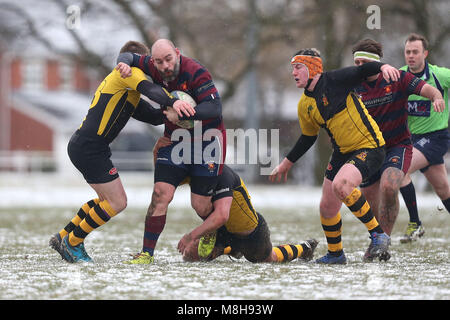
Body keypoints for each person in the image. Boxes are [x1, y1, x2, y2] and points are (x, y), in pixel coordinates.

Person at [48, 41, 194, 263]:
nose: (150, 69)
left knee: (104, 200)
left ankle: (63, 236)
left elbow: (152, 115)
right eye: (148, 64)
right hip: (89, 147)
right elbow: (151, 90)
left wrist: (171, 113)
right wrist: (175, 101)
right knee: (117, 202)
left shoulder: (127, 88)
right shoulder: (130, 75)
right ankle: (73, 242)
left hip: (86, 145)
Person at [269, 48, 400, 264]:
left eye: (298, 67)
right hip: (342, 152)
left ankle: (378, 235)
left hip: (369, 146)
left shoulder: (335, 80)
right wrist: (286, 163)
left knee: (342, 185)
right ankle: (336, 254)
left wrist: (383, 66)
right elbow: (307, 138)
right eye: (292, 68)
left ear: (313, 68)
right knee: (327, 206)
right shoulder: (304, 105)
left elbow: (364, 70)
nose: (293, 73)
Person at [115, 39, 226, 263]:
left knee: (200, 204)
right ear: (152, 61)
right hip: (175, 141)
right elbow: (128, 56)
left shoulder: (196, 72)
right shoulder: (152, 66)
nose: (165, 66)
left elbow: (214, 108)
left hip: (207, 142)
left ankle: (214, 232)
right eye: (159, 62)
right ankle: (146, 254)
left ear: (177, 53)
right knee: (160, 194)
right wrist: (123, 64)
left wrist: (184, 113)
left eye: (169, 59)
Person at [125, 137, 318, 264]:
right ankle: (226, 248)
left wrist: (190, 235)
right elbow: (164, 182)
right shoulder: (196, 171)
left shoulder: (222, 173)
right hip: (220, 229)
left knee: (270, 259)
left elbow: (222, 215)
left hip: (249, 233)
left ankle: (304, 248)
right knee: (190, 256)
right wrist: (156, 154)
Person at [351, 39, 445, 260]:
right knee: (369, 201)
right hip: (369, 149)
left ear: (374, 62)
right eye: (356, 63)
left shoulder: (397, 78)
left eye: (363, 62)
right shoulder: (352, 86)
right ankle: (376, 239)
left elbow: (427, 89)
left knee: (390, 184)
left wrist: (437, 96)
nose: (360, 68)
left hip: (398, 146)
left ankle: (383, 241)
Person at [399, 33, 450, 243]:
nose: (411, 56)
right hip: (413, 140)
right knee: (443, 190)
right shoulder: (399, 76)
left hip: (436, 138)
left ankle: (415, 224)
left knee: (399, 170)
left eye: (415, 52)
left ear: (425, 54)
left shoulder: (440, 75)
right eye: (408, 52)